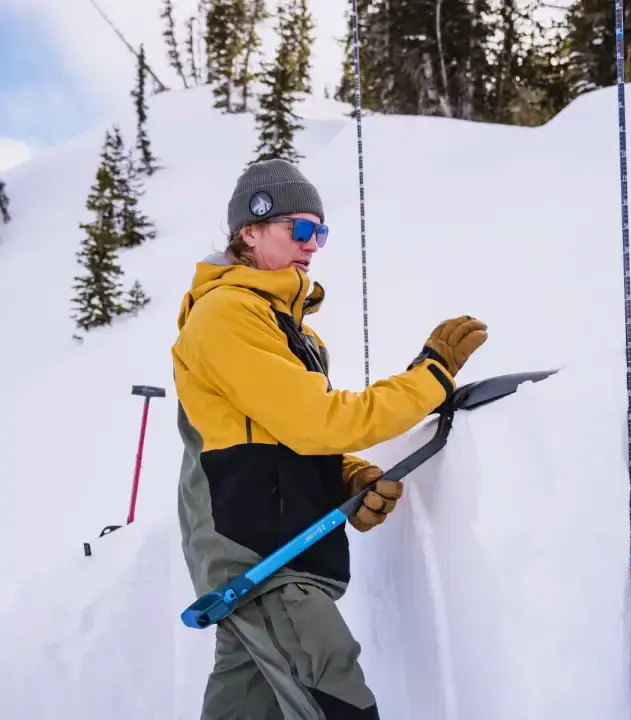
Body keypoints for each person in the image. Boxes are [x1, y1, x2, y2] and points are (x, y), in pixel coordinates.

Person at [171, 158, 488, 720]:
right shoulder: (226, 314)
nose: (312, 244)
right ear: (250, 230)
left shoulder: (287, 327)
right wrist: (431, 377)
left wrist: (345, 476)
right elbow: (321, 422)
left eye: (320, 232)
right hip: (260, 557)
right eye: (299, 228)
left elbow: (288, 436)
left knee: (244, 708)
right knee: (336, 696)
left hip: (276, 552)